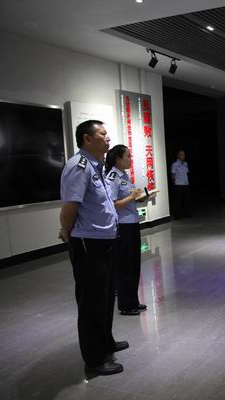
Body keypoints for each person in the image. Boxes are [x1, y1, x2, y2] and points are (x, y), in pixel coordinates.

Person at [59, 120, 128, 376]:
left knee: (106, 297)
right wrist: (66, 231)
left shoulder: (96, 166)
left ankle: (106, 342)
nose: (108, 138)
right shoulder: (79, 166)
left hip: (105, 241)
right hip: (89, 244)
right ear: (88, 139)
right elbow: (70, 207)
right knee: (91, 303)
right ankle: (95, 360)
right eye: (103, 134)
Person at [105, 145, 148, 316]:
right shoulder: (113, 177)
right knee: (125, 266)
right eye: (127, 156)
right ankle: (125, 304)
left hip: (132, 222)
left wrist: (139, 198)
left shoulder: (124, 175)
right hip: (123, 225)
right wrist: (131, 196)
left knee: (134, 264)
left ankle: (133, 300)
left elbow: (128, 199)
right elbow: (113, 204)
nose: (130, 159)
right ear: (118, 159)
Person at [170, 150, 190, 219]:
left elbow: (187, 173)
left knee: (186, 200)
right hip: (178, 185)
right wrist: (174, 182)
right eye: (181, 155)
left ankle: (187, 213)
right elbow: (173, 174)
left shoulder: (185, 164)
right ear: (178, 156)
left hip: (186, 184)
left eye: (183, 155)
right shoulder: (175, 164)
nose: (183, 156)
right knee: (178, 201)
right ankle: (177, 215)